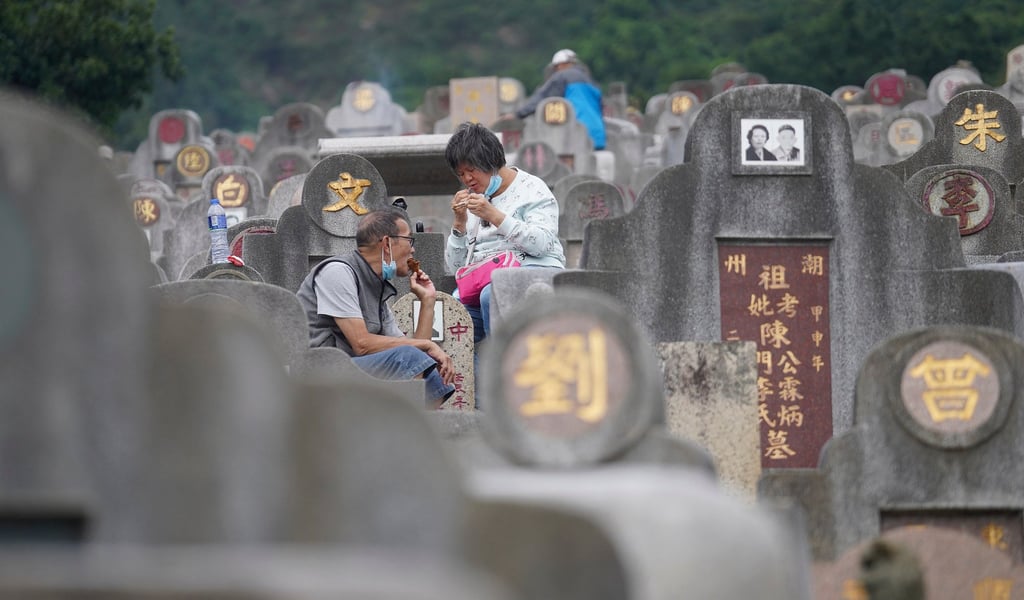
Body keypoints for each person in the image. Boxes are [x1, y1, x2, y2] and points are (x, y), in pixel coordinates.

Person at [296, 207, 456, 407]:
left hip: (353, 369)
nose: (413, 249)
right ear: (387, 243)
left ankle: (416, 433)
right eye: (409, 240)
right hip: (319, 373)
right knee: (410, 357)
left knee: (434, 377)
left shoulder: (377, 287)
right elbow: (361, 344)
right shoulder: (337, 272)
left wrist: (427, 302)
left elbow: (418, 358)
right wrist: (427, 346)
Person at [445, 122, 565, 344]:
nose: (467, 179)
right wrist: (459, 223)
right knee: (448, 316)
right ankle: (474, 379)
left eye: (472, 169)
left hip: (533, 271)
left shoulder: (532, 188)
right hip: (483, 282)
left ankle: (504, 372)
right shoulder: (473, 199)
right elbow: (456, 269)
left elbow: (541, 244)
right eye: (461, 173)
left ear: (491, 161)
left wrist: (494, 215)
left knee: (493, 294)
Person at [510, 48, 606, 150]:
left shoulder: (562, 76)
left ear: (561, 65)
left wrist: (518, 114)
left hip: (576, 135)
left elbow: (542, 98)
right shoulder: (592, 82)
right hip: (598, 136)